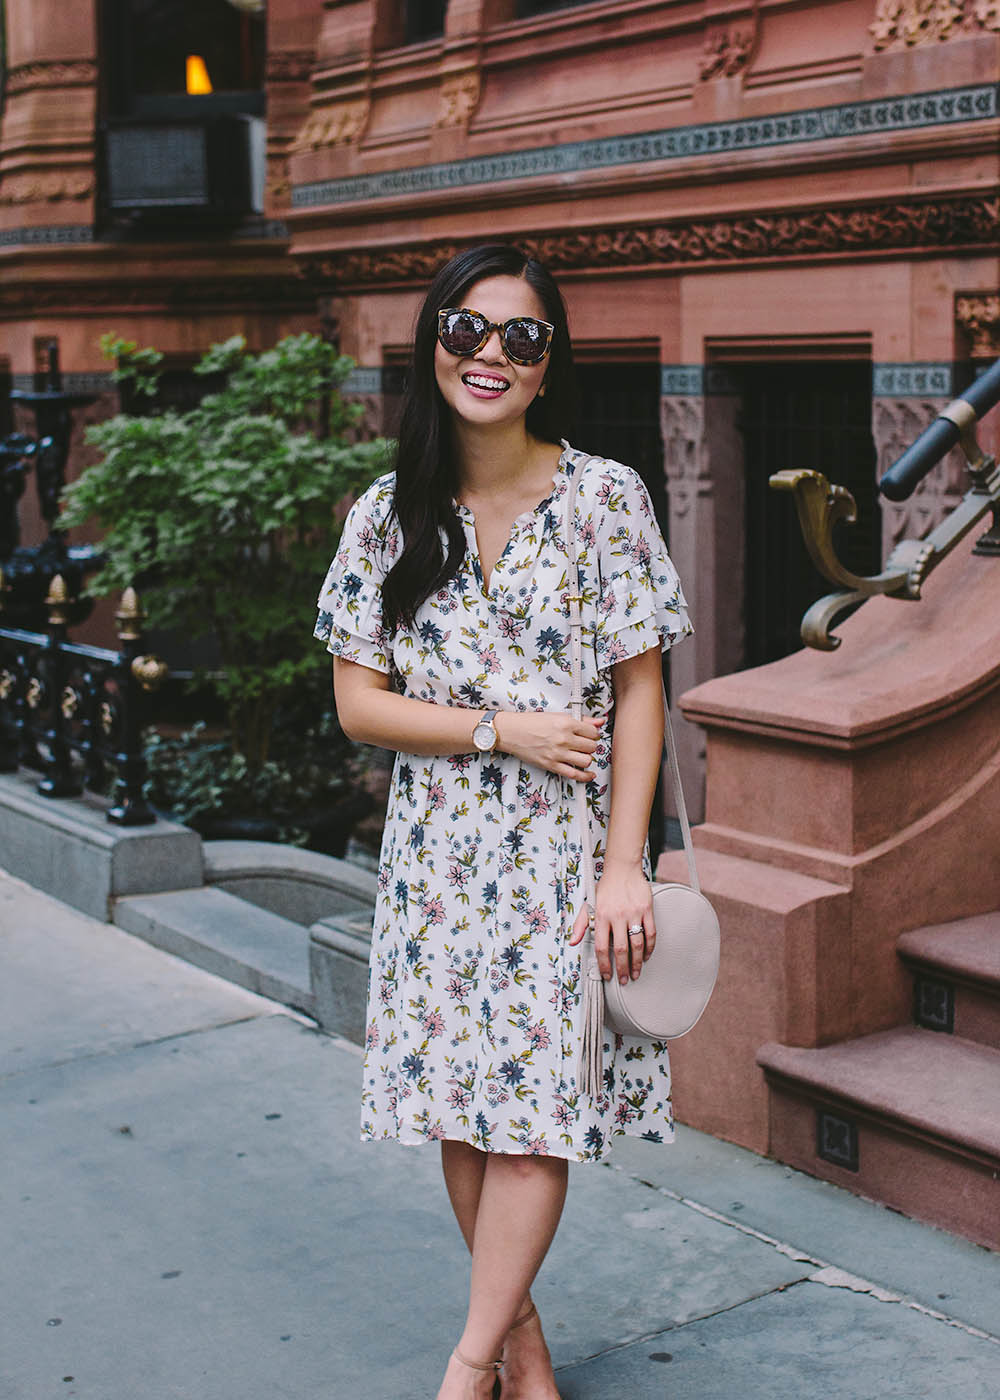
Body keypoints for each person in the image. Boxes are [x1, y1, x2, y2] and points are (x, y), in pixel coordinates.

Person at [315, 244, 691, 1400]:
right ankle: (520, 1347)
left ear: (546, 364)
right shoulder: (385, 514)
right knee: (463, 1109)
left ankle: (467, 1362)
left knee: (534, 1117)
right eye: (466, 328)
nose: (490, 353)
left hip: (562, 857)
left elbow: (640, 691)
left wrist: (625, 866)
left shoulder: (604, 497)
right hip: (434, 856)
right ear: (433, 342)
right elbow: (358, 704)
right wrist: (499, 728)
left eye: (520, 337)